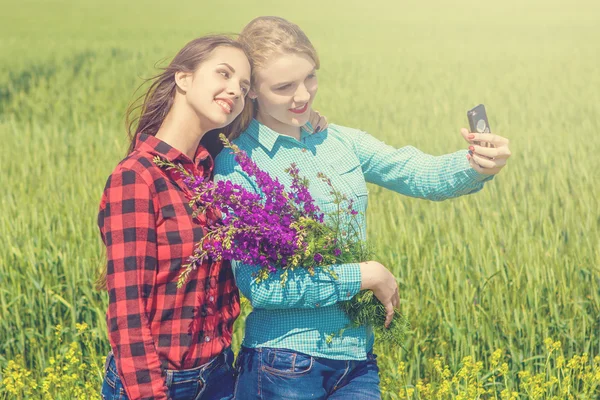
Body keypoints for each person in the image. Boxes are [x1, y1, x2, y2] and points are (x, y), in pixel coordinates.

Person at [213, 16, 511, 399]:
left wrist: (475, 164)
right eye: (284, 86)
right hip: (283, 363)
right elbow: (261, 287)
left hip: (357, 361)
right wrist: (362, 275)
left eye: (311, 78)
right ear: (251, 90)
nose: (303, 96)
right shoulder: (237, 164)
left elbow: (418, 172)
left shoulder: (339, 141)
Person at [97, 35, 251, 400]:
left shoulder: (212, 175)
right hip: (157, 384)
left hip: (218, 376)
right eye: (224, 74)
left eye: (244, 87)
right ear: (183, 78)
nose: (235, 91)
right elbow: (128, 311)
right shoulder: (137, 177)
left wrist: (308, 121)